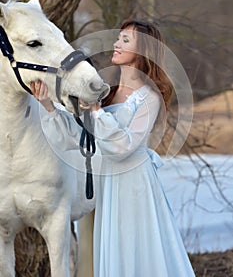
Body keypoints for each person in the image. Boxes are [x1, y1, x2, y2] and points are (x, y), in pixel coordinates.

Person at [30, 20, 195, 277]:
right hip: (109, 184)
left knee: (138, 247)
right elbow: (80, 139)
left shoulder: (149, 97)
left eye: (125, 40)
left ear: (143, 52)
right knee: (115, 250)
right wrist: (48, 106)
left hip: (134, 184)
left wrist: (96, 112)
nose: (116, 44)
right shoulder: (108, 94)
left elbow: (123, 146)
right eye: (118, 38)